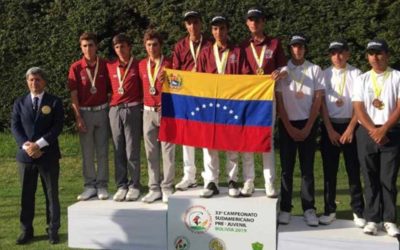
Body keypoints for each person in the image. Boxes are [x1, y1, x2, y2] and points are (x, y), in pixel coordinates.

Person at [197, 15, 250, 198]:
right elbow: (198, 77)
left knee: (231, 142)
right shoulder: (205, 52)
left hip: (231, 104)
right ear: (212, 31)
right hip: (211, 105)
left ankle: (232, 179)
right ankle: (211, 181)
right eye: (215, 29)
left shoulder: (237, 51)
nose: (218, 32)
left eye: (222, 28)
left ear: (227, 30)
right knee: (209, 143)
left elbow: (244, 77)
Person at [352, 39, 400, 237]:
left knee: (388, 178)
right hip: (367, 132)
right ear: (367, 57)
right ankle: (372, 218)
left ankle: (389, 219)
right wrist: (374, 130)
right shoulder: (362, 79)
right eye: (371, 53)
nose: (375, 57)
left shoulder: (397, 76)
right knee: (369, 177)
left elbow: (399, 106)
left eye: (379, 53)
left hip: (392, 131)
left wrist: (384, 128)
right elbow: (358, 107)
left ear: (387, 55)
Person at [11, 67, 64, 244]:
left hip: (48, 155)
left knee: (51, 194)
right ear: (27, 82)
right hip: (26, 157)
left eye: (38, 80)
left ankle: (53, 230)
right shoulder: (19, 102)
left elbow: (57, 127)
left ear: (44, 81)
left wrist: (39, 144)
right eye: (31, 80)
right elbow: (15, 127)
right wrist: (28, 146)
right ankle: (26, 230)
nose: (34, 83)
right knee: (27, 195)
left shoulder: (54, 101)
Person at [276, 34, 324, 226]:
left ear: (305, 49)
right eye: (294, 46)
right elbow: (279, 101)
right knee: (287, 170)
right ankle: (286, 208)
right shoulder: (282, 71)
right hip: (287, 123)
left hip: (308, 124)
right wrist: (288, 126)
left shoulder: (315, 69)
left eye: (301, 47)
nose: (298, 50)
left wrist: (308, 127)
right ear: (290, 49)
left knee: (307, 169)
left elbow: (318, 99)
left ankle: (309, 208)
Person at [240, 7, 287, 197]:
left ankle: (269, 182)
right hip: (249, 100)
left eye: (257, 20)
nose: (254, 23)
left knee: (267, 139)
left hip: (268, 99)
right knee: (247, 139)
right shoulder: (243, 46)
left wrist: (280, 72)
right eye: (251, 20)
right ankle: (249, 180)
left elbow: (285, 67)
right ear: (247, 23)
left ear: (263, 22)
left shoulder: (274, 43)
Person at [319, 40, 365, 227]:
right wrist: (329, 129)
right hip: (330, 128)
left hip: (351, 127)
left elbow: (359, 104)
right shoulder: (324, 74)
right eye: (333, 53)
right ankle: (329, 210)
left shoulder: (357, 74)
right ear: (330, 55)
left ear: (348, 54)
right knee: (329, 172)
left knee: (353, 171)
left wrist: (350, 129)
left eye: (340, 53)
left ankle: (358, 211)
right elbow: (321, 104)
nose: (337, 57)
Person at [172, 10, 212, 191]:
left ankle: (209, 176)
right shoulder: (180, 46)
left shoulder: (210, 44)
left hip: (206, 95)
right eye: (189, 23)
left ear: (201, 24)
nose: (193, 26)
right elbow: (175, 73)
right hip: (187, 96)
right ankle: (189, 175)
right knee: (187, 137)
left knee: (206, 137)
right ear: (185, 26)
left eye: (196, 22)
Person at [68, 32, 110, 201]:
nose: (88, 49)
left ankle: (102, 185)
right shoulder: (76, 67)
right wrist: (78, 117)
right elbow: (73, 95)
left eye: (91, 45)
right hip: (84, 112)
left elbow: (110, 90)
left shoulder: (105, 64)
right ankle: (89, 185)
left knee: (102, 151)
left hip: (102, 111)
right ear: (81, 47)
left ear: (96, 46)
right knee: (87, 152)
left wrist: (108, 110)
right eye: (84, 46)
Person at [139, 29, 176, 203]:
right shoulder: (141, 65)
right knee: (151, 152)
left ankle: (167, 187)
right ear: (145, 46)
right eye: (149, 45)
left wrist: (169, 78)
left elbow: (179, 85)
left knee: (167, 151)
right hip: (147, 112)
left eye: (155, 44)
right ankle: (154, 188)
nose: (152, 48)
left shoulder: (169, 64)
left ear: (160, 46)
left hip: (166, 111)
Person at [107, 33, 143, 201]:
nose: (120, 50)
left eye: (123, 46)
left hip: (133, 109)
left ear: (129, 47)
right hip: (115, 110)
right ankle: (121, 185)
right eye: (117, 47)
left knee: (132, 149)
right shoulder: (110, 66)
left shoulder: (139, 65)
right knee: (118, 148)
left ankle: (134, 184)